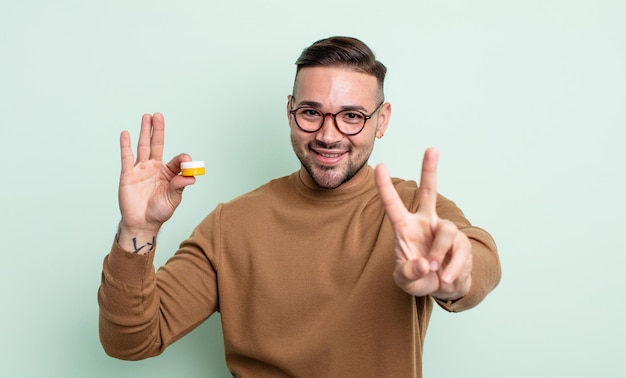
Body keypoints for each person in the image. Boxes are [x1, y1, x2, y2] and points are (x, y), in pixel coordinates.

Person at [98, 36, 501, 377]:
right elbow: (130, 341)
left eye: (352, 116)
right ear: (290, 111)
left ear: (382, 120)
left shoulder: (413, 211)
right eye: (311, 113)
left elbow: (479, 261)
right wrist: (139, 229)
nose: (328, 135)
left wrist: (453, 273)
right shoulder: (232, 224)